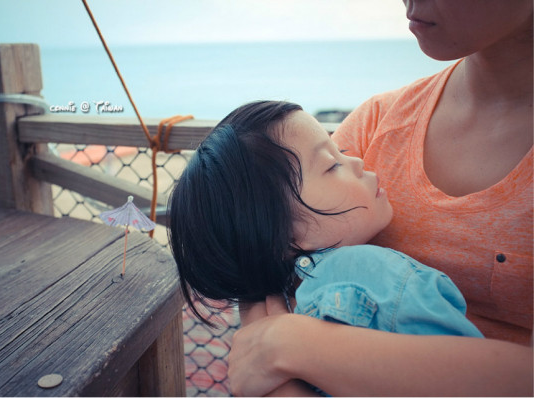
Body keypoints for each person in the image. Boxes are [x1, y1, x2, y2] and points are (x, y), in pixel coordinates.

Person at [226, 0, 533, 396]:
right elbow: (266, 277)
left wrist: (295, 345)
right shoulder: (375, 123)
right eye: (333, 165)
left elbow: (269, 344)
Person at [170, 100, 483, 395]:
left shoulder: (276, 302)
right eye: (333, 165)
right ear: (283, 235)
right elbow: (472, 376)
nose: (358, 162)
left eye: (342, 150)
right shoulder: (371, 276)